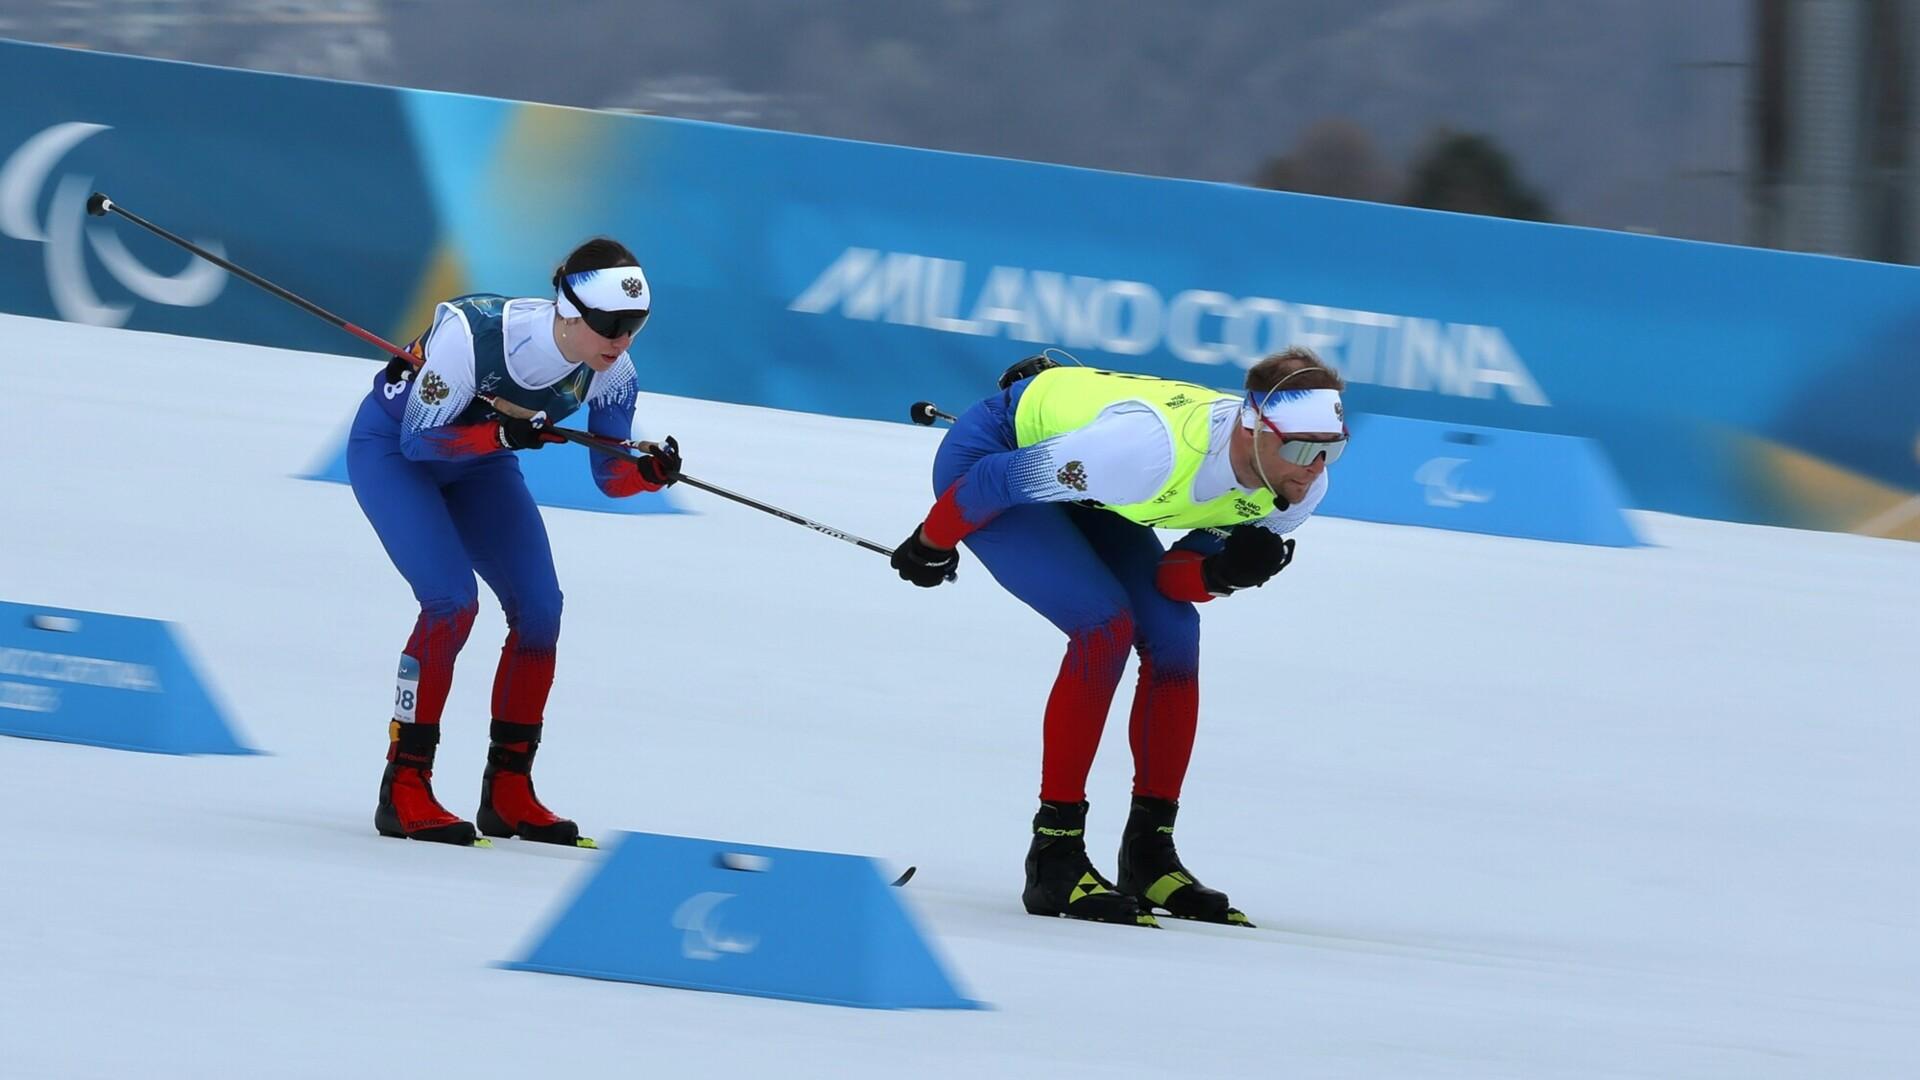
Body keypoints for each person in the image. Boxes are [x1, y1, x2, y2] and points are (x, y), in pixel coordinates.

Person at [890, 348, 1347, 927]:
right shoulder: (1145, 450)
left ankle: (1149, 855)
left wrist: (1218, 574)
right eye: (1304, 447)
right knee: (1102, 626)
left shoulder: (1300, 489)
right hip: (996, 459)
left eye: (1332, 448)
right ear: (1255, 426)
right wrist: (932, 543)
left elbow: (1172, 584)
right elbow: (989, 481)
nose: (1315, 467)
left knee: (1176, 635)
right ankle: (1054, 856)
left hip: (1096, 487)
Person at [346, 238, 681, 847]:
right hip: (395, 455)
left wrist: (648, 474)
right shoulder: (471, 334)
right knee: (451, 602)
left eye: (636, 325)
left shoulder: (614, 371)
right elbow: (420, 443)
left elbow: (611, 477)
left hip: (480, 465)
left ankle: (508, 791)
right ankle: (404, 785)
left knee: (541, 611)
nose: (622, 340)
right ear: (570, 311)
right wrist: (500, 436)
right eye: (610, 325)